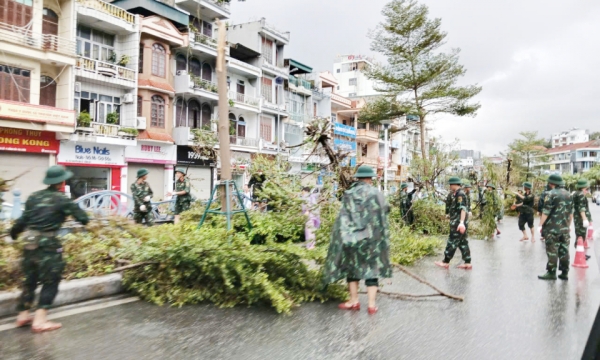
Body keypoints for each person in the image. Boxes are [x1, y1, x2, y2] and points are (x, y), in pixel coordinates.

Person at [10, 165, 89, 333]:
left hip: (29, 243)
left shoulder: (33, 197)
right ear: (61, 182)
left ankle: (23, 315)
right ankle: (39, 320)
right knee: (50, 281)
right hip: (48, 247)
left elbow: (23, 220)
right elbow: (83, 218)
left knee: (29, 280)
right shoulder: (62, 199)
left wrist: (14, 234)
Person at [322, 166, 392, 315]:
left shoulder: (349, 194)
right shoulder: (376, 194)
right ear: (370, 179)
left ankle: (354, 301)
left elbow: (343, 216)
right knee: (372, 269)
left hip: (352, 237)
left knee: (352, 268)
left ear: (358, 178)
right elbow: (385, 209)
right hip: (372, 238)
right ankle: (372, 305)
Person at [538, 174, 573, 281]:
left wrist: (540, 225)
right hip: (565, 228)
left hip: (552, 229)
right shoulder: (569, 194)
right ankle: (564, 272)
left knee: (552, 250)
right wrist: (568, 225)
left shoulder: (550, 194)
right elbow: (571, 213)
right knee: (564, 250)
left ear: (551, 183)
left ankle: (551, 272)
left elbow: (546, 211)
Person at [435, 177, 471, 269]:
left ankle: (445, 261)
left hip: (458, 223)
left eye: (451, 184)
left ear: (455, 184)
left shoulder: (460, 194)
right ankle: (467, 262)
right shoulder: (455, 194)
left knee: (452, 241)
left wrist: (462, 222)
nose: (450, 186)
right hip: (457, 221)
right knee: (463, 242)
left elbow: (463, 209)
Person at [572, 179, 592, 249]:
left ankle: (580, 251)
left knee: (579, 234)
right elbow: (581, 207)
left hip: (578, 217)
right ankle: (579, 251)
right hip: (580, 218)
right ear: (585, 186)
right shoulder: (580, 194)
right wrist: (584, 219)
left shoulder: (577, 193)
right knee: (581, 235)